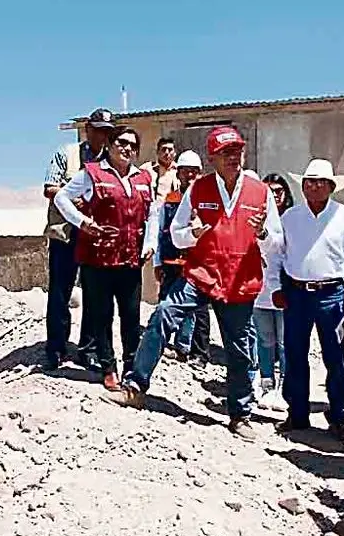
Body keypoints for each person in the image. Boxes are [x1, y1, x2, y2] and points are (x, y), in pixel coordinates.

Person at [105, 125, 284, 442]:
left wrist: (263, 234)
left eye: (237, 151)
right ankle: (135, 386)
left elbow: (277, 244)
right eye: (226, 152)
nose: (234, 157)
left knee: (240, 349)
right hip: (202, 274)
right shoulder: (198, 190)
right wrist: (194, 234)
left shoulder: (260, 192)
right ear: (212, 157)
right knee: (163, 316)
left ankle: (240, 415)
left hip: (240, 282)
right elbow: (176, 234)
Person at [53, 126, 157, 391]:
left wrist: (150, 243)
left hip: (130, 259)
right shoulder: (92, 173)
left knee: (132, 317)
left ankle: (132, 367)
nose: (127, 149)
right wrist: (82, 221)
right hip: (97, 258)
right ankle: (108, 367)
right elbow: (62, 197)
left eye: (133, 145)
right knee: (102, 316)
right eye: (122, 143)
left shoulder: (144, 177)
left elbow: (153, 213)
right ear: (110, 145)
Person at [269, 160, 344, 440]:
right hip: (296, 293)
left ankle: (338, 416)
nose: (314, 186)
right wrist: (275, 286)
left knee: (334, 356)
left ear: (331, 186)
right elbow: (277, 255)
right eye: (309, 181)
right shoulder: (290, 217)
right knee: (294, 355)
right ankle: (297, 414)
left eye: (321, 181)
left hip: (331, 294)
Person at [42, 108, 114, 370]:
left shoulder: (111, 160)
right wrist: (73, 197)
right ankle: (56, 348)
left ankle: (88, 349)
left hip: (95, 236)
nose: (102, 136)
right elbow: (49, 188)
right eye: (98, 130)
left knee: (95, 295)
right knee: (61, 292)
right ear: (88, 130)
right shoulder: (67, 154)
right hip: (66, 234)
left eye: (107, 131)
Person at [154, 150, 211, 367]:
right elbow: (161, 232)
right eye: (185, 171)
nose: (189, 176)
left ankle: (199, 353)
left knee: (199, 310)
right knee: (166, 304)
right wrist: (158, 262)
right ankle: (170, 346)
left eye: (194, 172)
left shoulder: (207, 200)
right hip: (171, 263)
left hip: (197, 265)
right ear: (178, 174)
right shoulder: (170, 200)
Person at [253, 172, 295, 410]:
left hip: (285, 288)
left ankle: (284, 388)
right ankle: (266, 384)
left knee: (284, 341)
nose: (273, 196)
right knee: (264, 340)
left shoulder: (291, 218)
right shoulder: (256, 218)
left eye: (278, 191)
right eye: (268, 191)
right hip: (259, 289)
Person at [141, 137, 182, 203]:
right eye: (163, 149)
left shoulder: (180, 170)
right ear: (157, 152)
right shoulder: (147, 169)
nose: (166, 153)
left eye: (170, 150)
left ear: (175, 153)